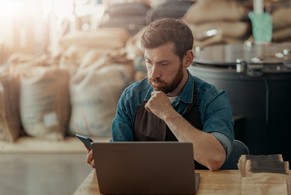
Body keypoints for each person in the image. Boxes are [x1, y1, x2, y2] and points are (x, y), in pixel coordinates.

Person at [87, 18, 234, 171]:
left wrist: (168, 113)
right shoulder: (131, 97)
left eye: (163, 64)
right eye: (148, 62)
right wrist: (108, 160)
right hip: (144, 191)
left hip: (201, 191)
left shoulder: (212, 98)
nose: (153, 74)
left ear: (188, 59)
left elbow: (215, 158)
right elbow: (120, 157)